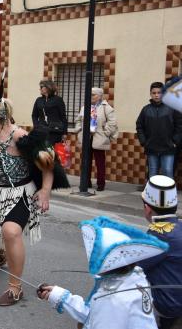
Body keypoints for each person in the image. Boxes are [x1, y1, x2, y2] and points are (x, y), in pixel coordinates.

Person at [0, 95, 68, 306]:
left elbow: (48, 163)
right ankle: (3, 251)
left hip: (19, 193)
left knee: (10, 231)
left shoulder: (19, 137)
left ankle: (15, 288)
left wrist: (45, 191)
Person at [38, 216, 167, 329]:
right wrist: (59, 295)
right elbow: (94, 314)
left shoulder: (111, 298)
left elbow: (96, 319)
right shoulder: (136, 277)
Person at [137, 175, 182, 329]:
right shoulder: (179, 226)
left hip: (169, 308)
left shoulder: (157, 234)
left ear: (148, 208)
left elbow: (136, 266)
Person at [75, 87, 118, 191]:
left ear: (99, 96)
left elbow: (112, 122)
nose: (91, 97)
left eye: (93, 95)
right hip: (87, 137)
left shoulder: (106, 107)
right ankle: (86, 182)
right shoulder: (85, 107)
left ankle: (100, 184)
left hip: (99, 137)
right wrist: (79, 130)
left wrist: (105, 133)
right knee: (86, 161)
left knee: (100, 162)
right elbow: (79, 120)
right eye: (90, 94)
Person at [136, 82, 182, 179]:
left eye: (159, 92)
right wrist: (144, 141)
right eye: (154, 93)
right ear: (150, 94)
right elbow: (139, 125)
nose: (156, 95)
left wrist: (174, 141)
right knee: (152, 174)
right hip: (151, 148)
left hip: (168, 147)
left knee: (167, 172)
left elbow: (179, 126)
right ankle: (153, 194)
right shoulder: (146, 110)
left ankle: (169, 194)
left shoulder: (172, 108)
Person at [31, 79, 67, 145]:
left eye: (41, 87)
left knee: (52, 152)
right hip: (41, 131)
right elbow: (34, 115)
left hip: (55, 132)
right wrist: (36, 126)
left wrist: (64, 133)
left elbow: (63, 117)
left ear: (48, 88)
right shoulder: (39, 100)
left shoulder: (58, 100)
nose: (40, 89)